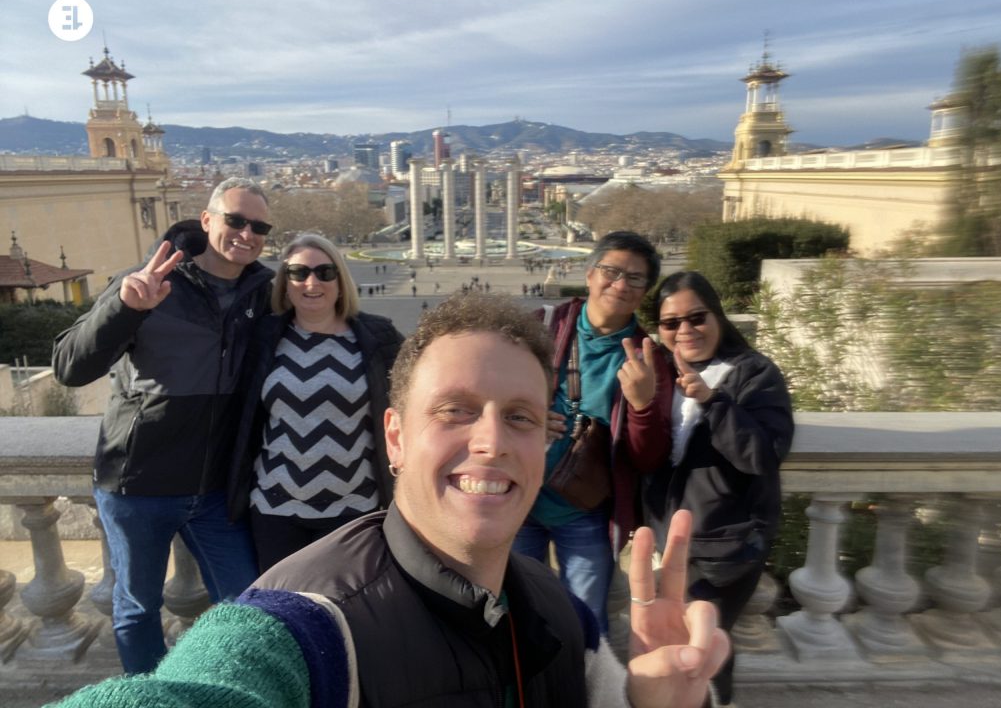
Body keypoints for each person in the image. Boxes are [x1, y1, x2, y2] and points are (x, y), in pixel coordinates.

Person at [49, 292, 729, 708]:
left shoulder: (561, 611)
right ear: (395, 439)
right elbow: (214, 682)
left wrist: (651, 704)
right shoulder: (305, 625)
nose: (492, 441)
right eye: (456, 411)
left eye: (521, 416)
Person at [51, 177, 275, 674]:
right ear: (207, 220)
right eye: (235, 220)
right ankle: (149, 695)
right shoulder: (149, 280)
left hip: (216, 491)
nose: (247, 233)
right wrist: (125, 307)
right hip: (138, 486)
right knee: (137, 609)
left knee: (249, 606)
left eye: (259, 226)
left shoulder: (263, 292)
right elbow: (69, 367)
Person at [642, 271, 794, 708]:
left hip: (726, 543)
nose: (684, 331)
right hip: (673, 542)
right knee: (678, 643)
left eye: (696, 317)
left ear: (718, 317)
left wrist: (713, 402)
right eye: (671, 323)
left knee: (703, 647)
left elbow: (762, 455)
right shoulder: (661, 371)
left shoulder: (754, 373)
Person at [513, 231, 671, 634]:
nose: (620, 284)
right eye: (611, 271)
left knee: (586, 623)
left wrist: (642, 404)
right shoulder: (541, 327)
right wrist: (525, 417)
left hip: (585, 510)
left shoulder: (650, 357)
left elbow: (648, 458)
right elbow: (491, 395)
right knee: (515, 614)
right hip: (518, 499)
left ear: (644, 291)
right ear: (589, 274)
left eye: (635, 278)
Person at [227, 233, 404, 573]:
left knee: (347, 613)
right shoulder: (262, 337)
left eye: (325, 273)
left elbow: (422, 387)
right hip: (276, 510)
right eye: (298, 272)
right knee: (284, 614)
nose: (312, 282)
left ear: (340, 281)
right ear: (285, 282)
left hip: (355, 509)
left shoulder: (376, 337)